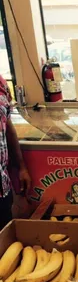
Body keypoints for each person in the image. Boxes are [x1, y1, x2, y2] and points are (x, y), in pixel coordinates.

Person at [0, 74, 31, 229]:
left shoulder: (1, 84)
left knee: (4, 244)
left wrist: (21, 167)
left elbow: (8, 126)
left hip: (3, 189)